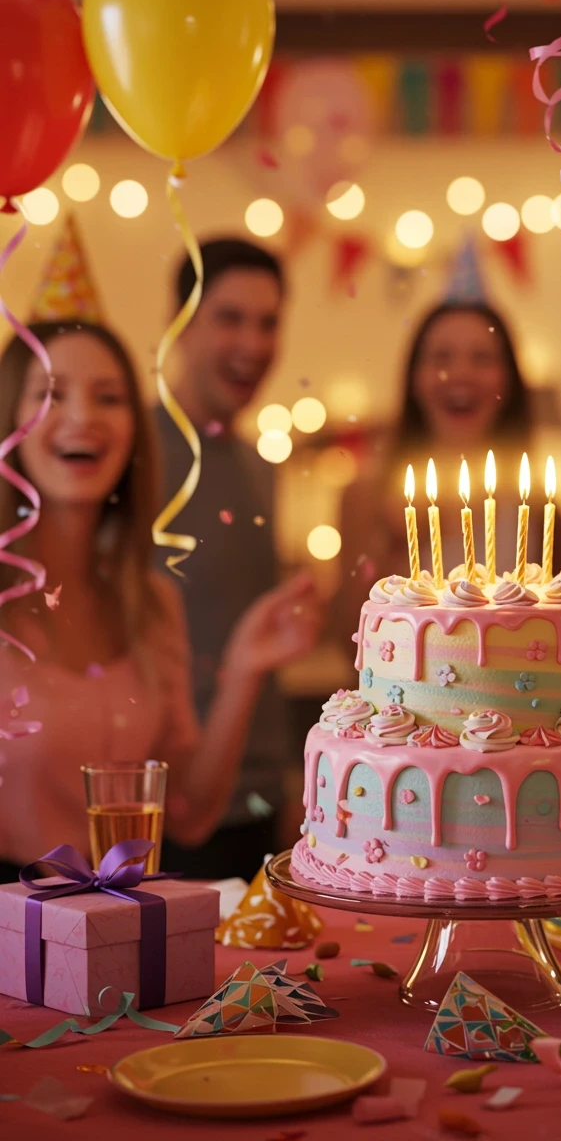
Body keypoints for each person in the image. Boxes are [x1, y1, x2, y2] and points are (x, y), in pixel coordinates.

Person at [0, 321, 316, 882]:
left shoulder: (151, 605)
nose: (83, 417)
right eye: (52, 394)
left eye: (109, 397)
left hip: (120, 940)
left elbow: (190, 814)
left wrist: (244, 670)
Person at [154, 238, 319, 879]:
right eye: (229, 318)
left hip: (255, 802)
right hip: (165, 810)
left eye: (268, 321)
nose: (252, 343)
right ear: (181, 324)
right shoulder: (132, 458)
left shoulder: (258, 464)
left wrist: (282, 782)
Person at [334, 301, 536, 650]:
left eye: (482, 358)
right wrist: (391, 542)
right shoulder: (365, 495)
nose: (460, 373)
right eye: (441, 358)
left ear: (509, 380)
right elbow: (348, 641)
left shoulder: (538, 503)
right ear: (414, 378)